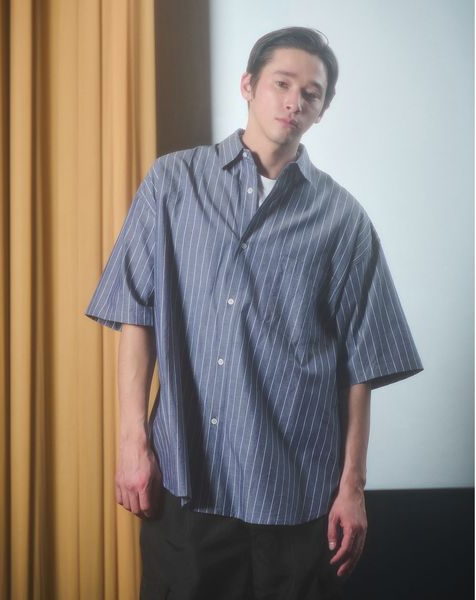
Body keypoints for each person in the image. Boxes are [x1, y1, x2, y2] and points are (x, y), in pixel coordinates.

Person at [85, 26, 423, 600]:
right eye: (282, 84)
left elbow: (361, 367)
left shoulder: (343, 220)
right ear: (248, 85)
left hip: (298, 496)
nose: (295, 102)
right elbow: (136, 317)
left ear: (322, 110)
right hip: (189, 480)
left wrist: (352, 487)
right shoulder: (172, 183)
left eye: (311, 94)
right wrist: (132, 444)